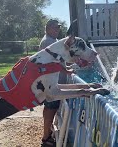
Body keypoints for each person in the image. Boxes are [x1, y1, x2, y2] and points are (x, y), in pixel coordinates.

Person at [39, 19, 65, 147]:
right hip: (50, 82)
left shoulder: (51, 40)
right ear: (48, 28)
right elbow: (57, 60)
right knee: (51, 108)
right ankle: (46, 138)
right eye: (55, 27)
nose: (57, 30)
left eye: (58, 27)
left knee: (49, 108)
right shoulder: (48, 41)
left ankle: (47, 133)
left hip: (50, 81)